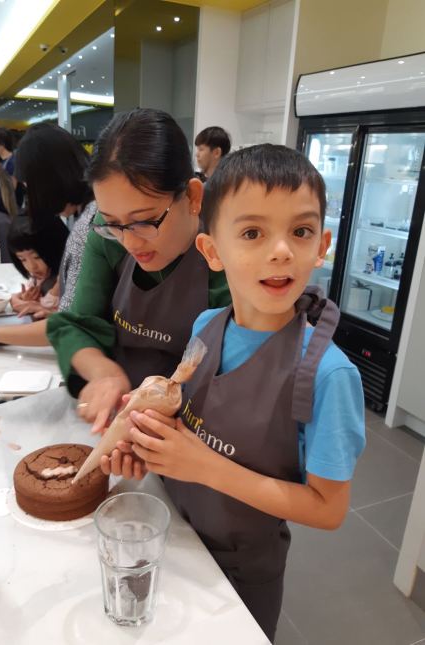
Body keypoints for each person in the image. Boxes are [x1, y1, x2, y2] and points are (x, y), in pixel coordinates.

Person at [113, 144, 366, 640]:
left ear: (322, 246)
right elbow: (192, 422)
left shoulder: (329, 375)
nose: (281, 250)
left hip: (241, 571)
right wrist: (149, 439)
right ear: (212, 252)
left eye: (301, 231)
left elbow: (328, 508)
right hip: (174, 534)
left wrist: (203, 466)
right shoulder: (206, 326)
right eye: (252, 233)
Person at [46, 108, 230, 434]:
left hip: (197, 432)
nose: (129, 242)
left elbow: (237, 380)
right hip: (118, 421)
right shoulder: (107, 235)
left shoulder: (229, 255)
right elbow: (75, 325)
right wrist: (105, 374)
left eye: (145, 221)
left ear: (192, 196)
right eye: (113, 223)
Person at [0, 125, 96, 344]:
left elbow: (79, 323)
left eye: (31, 187)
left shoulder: (94, 219)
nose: (35, 199)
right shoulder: (88, 213)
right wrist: (50, 304)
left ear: (52, 178)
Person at [7, 216, 69, 319]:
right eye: (23, 259)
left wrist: (40, 307)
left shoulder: (68, 278)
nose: (31, 267)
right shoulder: (41, 277)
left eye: (37, 257)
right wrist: (26, 298)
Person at [0, 127, 24, 207]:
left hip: (9, 209)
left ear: (2, 143)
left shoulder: (12, 162)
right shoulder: (3, 162)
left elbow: (9, 191)